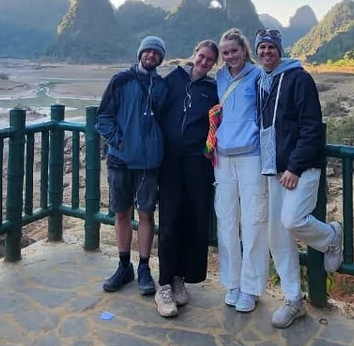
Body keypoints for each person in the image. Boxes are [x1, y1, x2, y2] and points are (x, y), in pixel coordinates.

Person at [254, 28, 343, 329]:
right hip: (272, 168)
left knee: (292, 220)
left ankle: (331, 237)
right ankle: (294, 300)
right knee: (277, 236)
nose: (266, 52)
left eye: (271, 47)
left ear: (280, 50)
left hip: (300, 168)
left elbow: (311, 128)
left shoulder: (298, 78)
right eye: (262, 47)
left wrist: (294, 166)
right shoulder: (263, 82)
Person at [96, 35, 169, 296]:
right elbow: (103, 116)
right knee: (122, 213)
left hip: (149, 162)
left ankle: (144, 268)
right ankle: (124, 266)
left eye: (156, 53)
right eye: (147, 51)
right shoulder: (121, 80)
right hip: (120, 159)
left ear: (161, 58)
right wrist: (120, 141)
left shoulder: (162, 86)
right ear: (140, 53)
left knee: (147, 213)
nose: (151, 56)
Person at [154, 39, 220, 318]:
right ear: (194, 55)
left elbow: (219, 122)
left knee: (194, 219)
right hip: (170, 161)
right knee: (169, 219)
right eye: (201, 57)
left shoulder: (212, 89)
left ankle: (181, 277)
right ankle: (164, 284)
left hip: (198, 163)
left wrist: (209, 150)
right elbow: (156, 110)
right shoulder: (174, 79)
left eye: (209, 60)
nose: (204, 63)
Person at [212, 28, 270, 313]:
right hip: (222, 158)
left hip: (251, 156)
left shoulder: (258, 76)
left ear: (244, 50)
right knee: (226, 220)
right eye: (225, 52)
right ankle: (232, 283)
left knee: (254, 221)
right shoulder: (220, 77)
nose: (230, 56)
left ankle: (251, 288)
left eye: (234, 50)